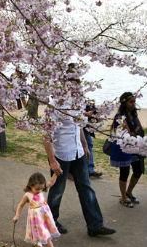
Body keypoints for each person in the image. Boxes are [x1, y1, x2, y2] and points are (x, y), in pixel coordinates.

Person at [44, 103, 116, 237]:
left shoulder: (78, 102)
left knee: (86, 188)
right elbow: (46, 136)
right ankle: (50, 222)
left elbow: (79, 126)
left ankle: (95, 225)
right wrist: (52, 161)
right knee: (57, 190)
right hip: (61, 155)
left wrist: (85, 145)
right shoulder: (53, 107)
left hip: (79, 153)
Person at [13, 172, 63, 247]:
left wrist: (55, 174)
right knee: (45, 233)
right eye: (37, 189)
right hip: (36, 218)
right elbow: (20, 205)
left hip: (45, 215)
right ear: (30, 185)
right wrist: (17, 215)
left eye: (41, 188)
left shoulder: (41, 189)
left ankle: (36, 242)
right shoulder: (27, 195)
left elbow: (51, 182)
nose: (40, 190)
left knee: (40, 230)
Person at [110, 92, 143, 208]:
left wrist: (135, 131)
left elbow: (139, 127)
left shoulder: (133, 113)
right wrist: (134, 131)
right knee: (124, 172)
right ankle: (123, 197)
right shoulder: (119, 116)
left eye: (134, 101)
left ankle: (129, 192)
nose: (134, 104)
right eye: (131, 102)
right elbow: (128, 132)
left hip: (134, 145)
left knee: (138, 170)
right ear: (124, 103)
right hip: (123, 147)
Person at [83, 100, 103, 178]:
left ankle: (90, 169)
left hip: (86, 126)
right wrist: (85, 114)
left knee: (89, 145)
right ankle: (86, 169)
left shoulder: (86, 102)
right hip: (77, 126)